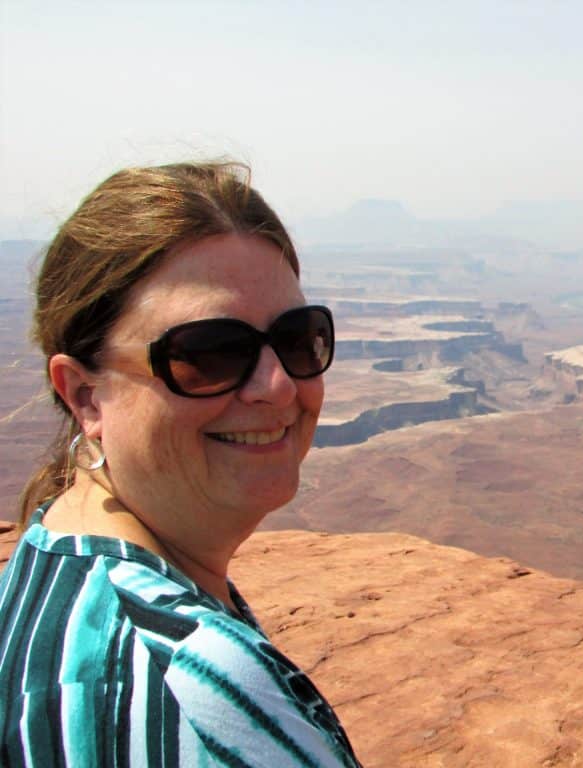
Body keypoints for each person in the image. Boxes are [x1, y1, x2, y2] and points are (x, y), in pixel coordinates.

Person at [0, 162, 361, 766]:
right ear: (85, 394)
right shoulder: (184, 684)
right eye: (210, 353)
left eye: (299, 338)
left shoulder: (57, 564)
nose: (275, 384)